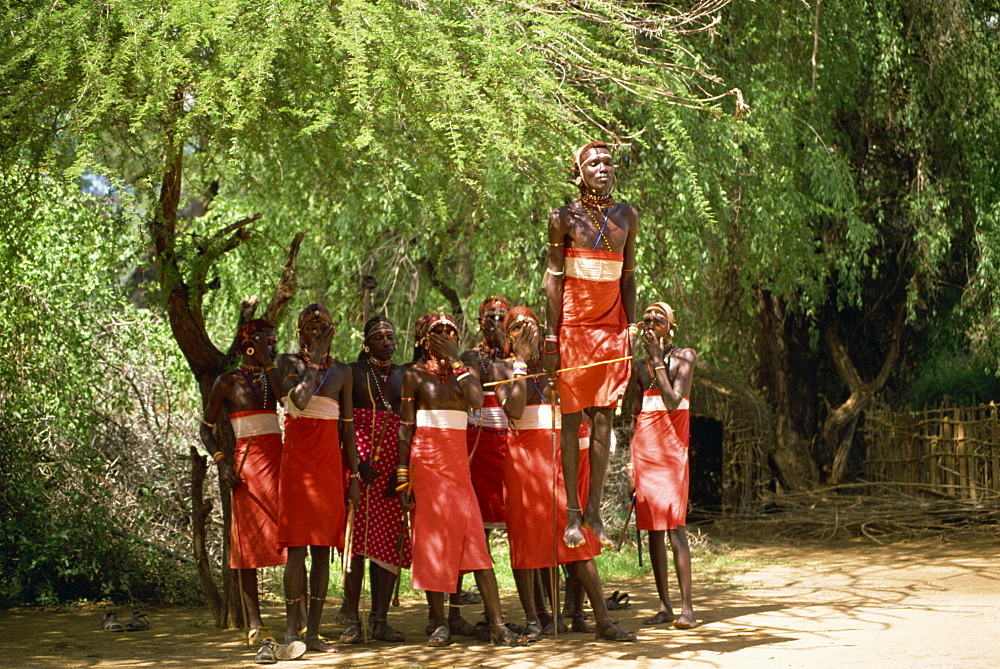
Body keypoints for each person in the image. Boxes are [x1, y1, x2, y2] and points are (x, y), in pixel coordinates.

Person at [493, 306, 637, 642]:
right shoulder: (503, 367)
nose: (524, 332)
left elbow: (587, 402)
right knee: (525, 541)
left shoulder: (559, 362)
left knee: (579, 542)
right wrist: (521, 361)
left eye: (529, 326)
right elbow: (514, 407)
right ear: (508, 336)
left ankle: (602, 619)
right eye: (516, 328)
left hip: (563, 462)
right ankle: (533, 619)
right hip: (525, 463)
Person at [397, 312, 526, 648]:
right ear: (424, 338)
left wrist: (456, 360)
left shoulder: (467, 371)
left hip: (457, 469)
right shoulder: (413, 375)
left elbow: (473, 400)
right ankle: (439, 624)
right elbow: (405, 428)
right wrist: (402, 478)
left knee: (475, 544)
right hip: (425, 466)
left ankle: (497, 624)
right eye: (437, 331)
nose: (444, 335)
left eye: (450, 331)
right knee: (432, 543)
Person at [544, 140, 638, 548]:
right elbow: (553, 279)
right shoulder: (562, 218)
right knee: (571, 418)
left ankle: (595, 510)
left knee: (604, 419)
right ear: (578, 171)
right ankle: (572, 513)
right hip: (574, 329)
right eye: (594, 163)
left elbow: (629, 276)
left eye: (608, 162)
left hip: (612, 329)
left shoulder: (626, 216)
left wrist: (631, 329)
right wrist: (551, 335)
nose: (604, 168)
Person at [200, 319, 305, 663]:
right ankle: (255, 623)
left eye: (275, 343)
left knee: (290, 538)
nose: (274, 348)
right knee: (247, 544)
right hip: (245, 468)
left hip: (279, 462)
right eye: (267, 343)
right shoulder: (226, 382)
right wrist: (221, 461)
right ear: (250, 345)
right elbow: (206, 430)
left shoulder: (271, 376)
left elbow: (282, 399)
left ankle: (298, 621)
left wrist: (269, 362)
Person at [277, 304, 361, 653]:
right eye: (310, 326)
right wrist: (313, 361)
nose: (316, 331)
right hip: (297, 468)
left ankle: (313, 633)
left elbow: (348, 428)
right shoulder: (287, 364)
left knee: (323, 549)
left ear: (332, 332)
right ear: (300, 331)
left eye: (323, 326)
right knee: (297, 549)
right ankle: (291, 632)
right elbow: (298, 399)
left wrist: (353, 474)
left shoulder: (342, 372)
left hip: (329, 467)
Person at [627, 302, 698, 629]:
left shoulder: (685, 356)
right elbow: (634, 415)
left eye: (659, 319)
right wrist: (630, 464)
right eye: (647, 319)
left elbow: (672, 401)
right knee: (652, 529)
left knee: (674, 527)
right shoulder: (638, 366)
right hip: (645, 449)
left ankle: (687, 609)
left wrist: (657, 361)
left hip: (671, 450)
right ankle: (665, 606)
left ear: (672, 326)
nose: (652, 323)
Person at [340, 316, 411, 643]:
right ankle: (352, 619)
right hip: (359, 468)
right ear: (366, 344)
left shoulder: (404, 375)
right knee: (356, 543)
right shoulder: (352, 373)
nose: (387, 341)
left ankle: (380, 620)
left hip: (392, 471)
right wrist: (355, 465)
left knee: (387, 548)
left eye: (391, 336)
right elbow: (342, 423)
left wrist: (401, 473)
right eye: (379, 337)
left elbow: (408, 425)